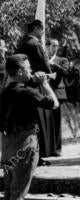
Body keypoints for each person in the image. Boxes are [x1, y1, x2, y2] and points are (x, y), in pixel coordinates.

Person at [0, 54, 58, 200]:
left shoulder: (4, 92)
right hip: (25, 143)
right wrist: (44, 83)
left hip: (7, 144)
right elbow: (54, 104)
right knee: (19, 191)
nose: (31, 71)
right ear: (19, 72)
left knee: (9, 191)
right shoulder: (27, 92)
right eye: (28, 68)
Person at [18, 20, 54, 163]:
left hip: (22, 86)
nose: (43, 33)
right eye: (42, 29)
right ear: (36, 29)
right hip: (35, 86)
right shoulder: (34, 44)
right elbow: (44, 65)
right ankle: (36, 156)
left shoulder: (21, 43)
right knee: (37, 123)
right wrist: (49, 77)